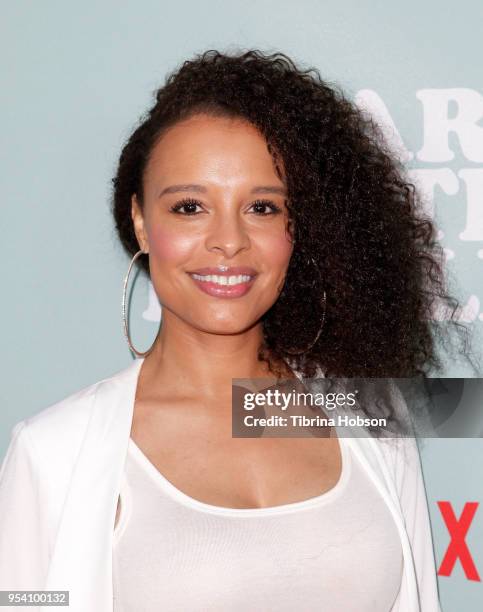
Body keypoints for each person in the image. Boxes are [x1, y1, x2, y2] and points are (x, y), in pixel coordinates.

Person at [0, 48, 473, 612]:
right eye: (190, 206)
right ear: (141, 221)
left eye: (264, 208)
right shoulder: (55, 451)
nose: (229, 241)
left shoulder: (368, 417)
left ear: (301, 228)